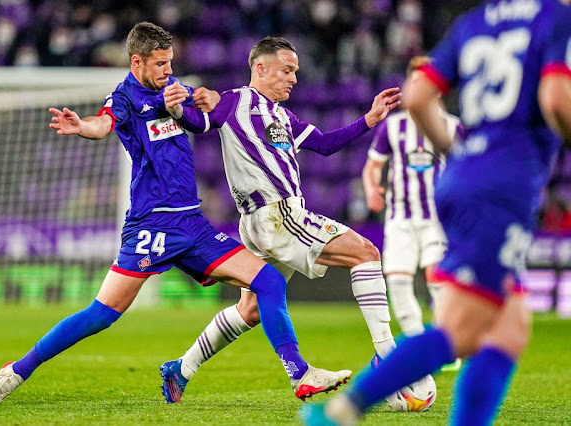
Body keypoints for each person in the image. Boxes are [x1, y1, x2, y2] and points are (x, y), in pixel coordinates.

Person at [0, 22, 350, 406]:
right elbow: (102, 124)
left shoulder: (174, 87)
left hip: (192, 223)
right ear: (137, 61)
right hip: (151, 225)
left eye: (170, 62)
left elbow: (206, 101)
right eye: (159, 64)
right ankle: (17, 370)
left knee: (269, 282)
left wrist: (204, 96)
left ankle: (299, 374)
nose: (167, 71)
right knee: (101, 316)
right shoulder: (123, 97)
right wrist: (83, 126)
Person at [302, 0, 571, 424]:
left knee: (509, 325)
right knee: (464, 330)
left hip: (461, 181)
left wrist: (457, 155)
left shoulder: (474, 22)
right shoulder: (554, 17)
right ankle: (340, 412)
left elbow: (418, 95)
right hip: (504, 185)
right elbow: (556, 98)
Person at [159, 36, 412, 404]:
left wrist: (368, 120)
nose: (293, 78)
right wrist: (182, 105)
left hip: (265, 223)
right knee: (366, 253)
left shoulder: (281, 115)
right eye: (287, 70)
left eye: (295, 71)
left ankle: (182, 367)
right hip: (278, 215)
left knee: (249, 309)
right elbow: (198, 123)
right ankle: (385, 355)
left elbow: (325, 143)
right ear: (260, 68)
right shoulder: (234, 101)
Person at [362, 56, 464, 371]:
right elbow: (373, 167)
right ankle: (421, 346)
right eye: (416, 82)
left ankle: (447, 344)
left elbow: (465, 170)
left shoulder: (452, 126)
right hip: (400, 218)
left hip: (438, 218)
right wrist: (371, 188)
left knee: (438, 276)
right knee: (398, 280)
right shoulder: (393, 127)